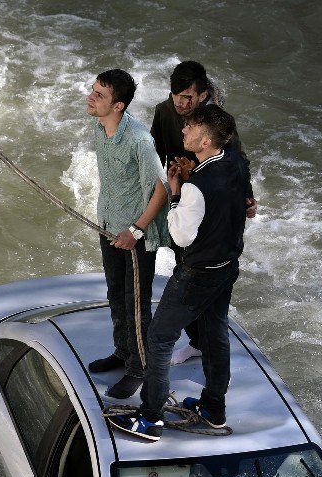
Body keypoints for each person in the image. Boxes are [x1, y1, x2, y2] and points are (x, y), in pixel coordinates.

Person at [107, 106, 250, 441]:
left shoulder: (196, 187)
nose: (183, 131)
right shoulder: (235, 161)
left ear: (205, 141)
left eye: (190, 128)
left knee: (159, 338)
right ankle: (214, 409)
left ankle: (150, 418)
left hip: (197, 274)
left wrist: (175, 194)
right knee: (215, 336)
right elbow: (241, 202)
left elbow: (182, 236)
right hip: (226, 268)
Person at [149, 61, 256, 365]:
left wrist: (247, 197)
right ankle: (198, 340)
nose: (180, 105)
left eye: (187, 98)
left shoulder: (218, 123)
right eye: (175, 97)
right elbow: (155, 153)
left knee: (203, 271)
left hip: (212, 198)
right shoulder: (164, 111)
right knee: (184, 261)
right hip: (183, 194)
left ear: (204, 94)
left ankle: (205, 339)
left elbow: (238, 160)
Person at [86, 69, 170, 399]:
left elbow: (161, 189)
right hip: (108, 225)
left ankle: (140, 367)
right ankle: (123, 353)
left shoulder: (138, 140)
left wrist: (135, 230)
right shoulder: (99, 125)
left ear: (118, 105)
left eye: (99, 95)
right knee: (115, 294)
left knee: (136, 306)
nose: (91, 98)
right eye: (93, 91)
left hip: (134, 235)